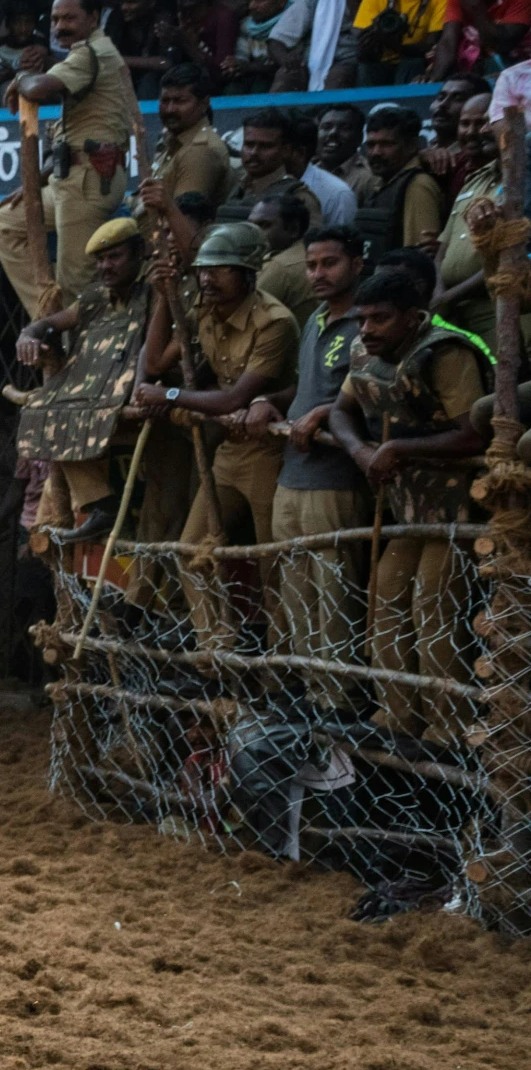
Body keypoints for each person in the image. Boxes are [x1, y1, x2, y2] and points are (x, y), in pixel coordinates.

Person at [328, 269, 491, 747]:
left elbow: (474, 432)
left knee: (433, 613)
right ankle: (396, 722)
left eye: (380, 319)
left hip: (458, 515)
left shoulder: (446, 352)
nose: (367, 329)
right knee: (385, 606)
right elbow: (341, 411)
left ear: (413, 318)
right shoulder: (365, 354)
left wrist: (399, 450)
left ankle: (449, 733)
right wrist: (361, 451)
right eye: (362, 319)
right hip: (407, 512)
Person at [137, 222, 299, 650]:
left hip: (269, 450)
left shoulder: (273, 321)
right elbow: (154, 359)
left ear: (247, 273)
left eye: (221, 270)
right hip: (230, 450)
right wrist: (161, 299)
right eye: (204, 269)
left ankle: (280, 670)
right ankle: (217, 650)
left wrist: (169, 394)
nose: (207, 278)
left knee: (273, 563)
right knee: (191, 550)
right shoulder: (203, 311)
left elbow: (235, 399)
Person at [0, 0, 136, 320]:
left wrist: (21, 76)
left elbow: (38, 89)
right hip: (68, 177)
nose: (59, 27)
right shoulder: (84, 53)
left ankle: (72, 344)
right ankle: (49, 314)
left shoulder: (92, 52)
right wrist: (34, 181)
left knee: (76, 283)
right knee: (4, 223)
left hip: (88, 181)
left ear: (94, 17)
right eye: (54, 19)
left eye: (69, 18)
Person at [268, 224, 370, 692]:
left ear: (357, 264)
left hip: (335, 480)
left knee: (335, 602)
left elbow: (375, 395)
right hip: (291, 476)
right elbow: (302, 388)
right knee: (297, 599)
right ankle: (313, 700)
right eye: (311, 265)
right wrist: (267, 401)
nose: (318, 274)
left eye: (329, 263)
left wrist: (323, 414)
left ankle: (340, 709)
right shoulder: (313, 320)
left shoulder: (368, 322)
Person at [354, 104, 447, 262]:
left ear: (411, 146)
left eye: (387, 144)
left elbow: (418, 257)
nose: (376, 152)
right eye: (371, 145)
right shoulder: (381, 182)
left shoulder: (417, 185)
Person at [251, 192, 316, 324]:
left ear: (293, 229)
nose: (253, 232)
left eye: (264, 225)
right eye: (251, 225)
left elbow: (245, 314)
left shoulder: (281, 267)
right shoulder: (303, 251)